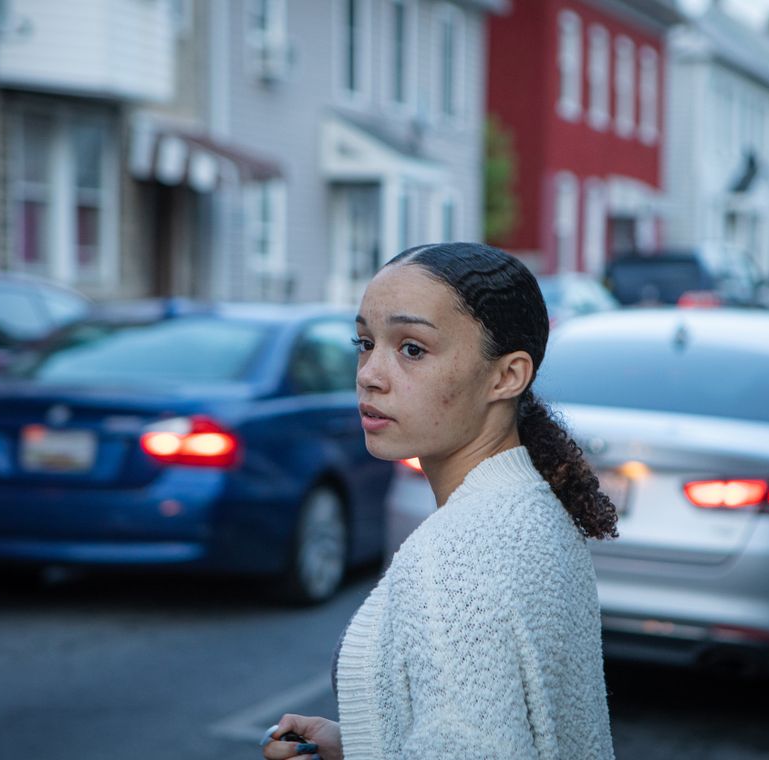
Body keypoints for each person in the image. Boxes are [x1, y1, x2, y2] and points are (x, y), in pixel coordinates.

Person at [261, 242, 618, 760]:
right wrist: (362, 745)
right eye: (364, 342)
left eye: (412, 349)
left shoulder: (460, 557)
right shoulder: (532, 508)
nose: (368, 374)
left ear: (506, 376)